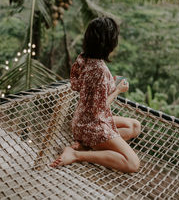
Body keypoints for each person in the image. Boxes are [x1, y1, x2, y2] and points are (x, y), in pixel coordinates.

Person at [50, 17, 141, 173]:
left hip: (82, 119)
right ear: (109, 44)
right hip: (92, 125)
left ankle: (87, 146)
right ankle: (77, 154)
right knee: (132, 163)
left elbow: (78, 85)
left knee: (135, 126)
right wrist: (118, 90)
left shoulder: (84, 58)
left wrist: (107, 84)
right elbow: (99, 108)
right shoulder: (100, 70)